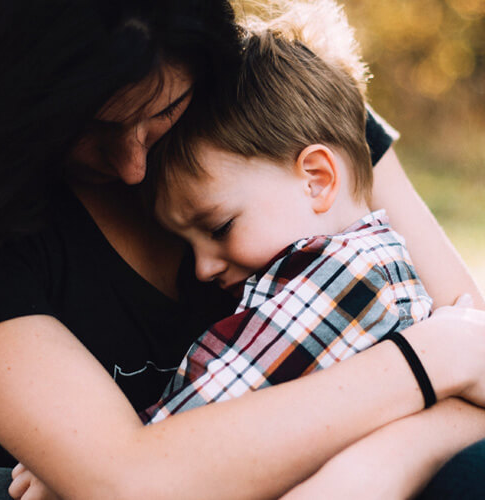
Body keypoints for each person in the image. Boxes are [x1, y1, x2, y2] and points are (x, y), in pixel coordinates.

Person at [0, 1, 484, 499]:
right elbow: (125, 482)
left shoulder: (282, 112)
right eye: (82, 132)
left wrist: (384, 462)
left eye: (162, 112)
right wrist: (430, 360)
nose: (131, 168)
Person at [140, 6, 434, 423]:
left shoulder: (346, 275)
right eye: (188, 245)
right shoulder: (363, 263)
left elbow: (210, 412)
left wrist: (86, 464)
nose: (203, 268)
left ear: (316, 179)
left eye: (220, 227)